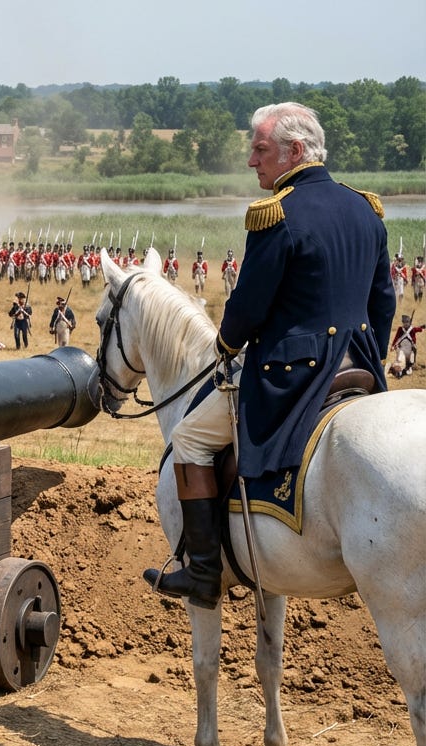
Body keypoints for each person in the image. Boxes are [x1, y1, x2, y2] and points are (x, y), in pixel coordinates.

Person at [149, 102, 395, 609]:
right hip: (358, 368)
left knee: (190, 438)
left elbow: (247, 307)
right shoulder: (365, 208)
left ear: (295, 152)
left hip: (293, 376)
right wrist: (370, 357)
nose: (250, 161)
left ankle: (201, 571)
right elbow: (383, 301)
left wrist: (225, 346)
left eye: (260, 149)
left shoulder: (276, 215)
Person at [389, 314, 423, 378]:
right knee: (400, 359)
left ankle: (411, 365)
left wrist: (421, 327)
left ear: (410, 322)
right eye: (404, 322)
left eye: (407, 322)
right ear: (403, 323)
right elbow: (396, 337)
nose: (406, 324)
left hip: (410, 347)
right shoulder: (400, 329)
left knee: (411, 357)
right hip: (401, 346)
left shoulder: (413, 329)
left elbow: (420, 329)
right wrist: (393, 346)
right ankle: (397, 371)